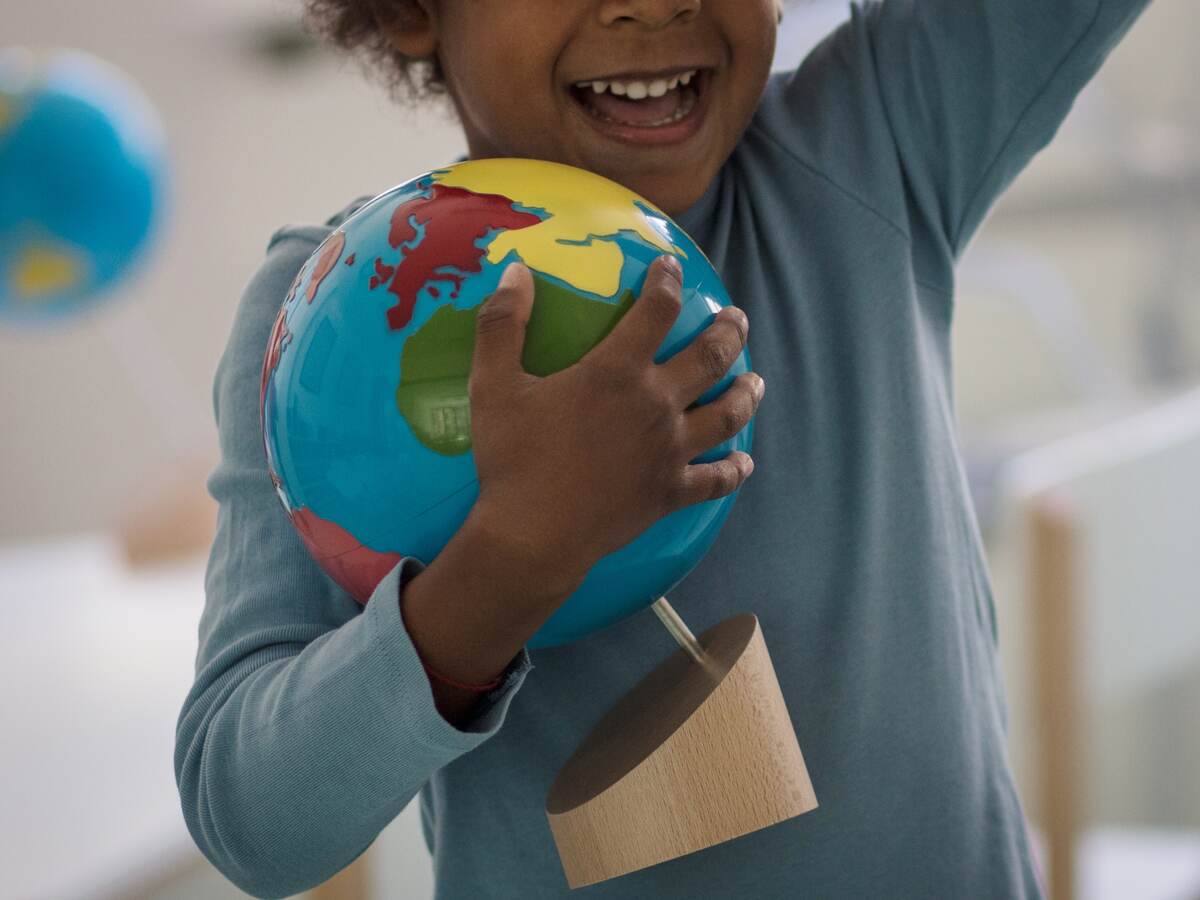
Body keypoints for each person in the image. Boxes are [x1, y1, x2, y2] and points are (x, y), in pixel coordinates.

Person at [175, 1, 1150, 897]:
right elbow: (254, 822)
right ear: (410, 9)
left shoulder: (870, 143)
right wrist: (512, 560)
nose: (653, 3)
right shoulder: (327, 312)